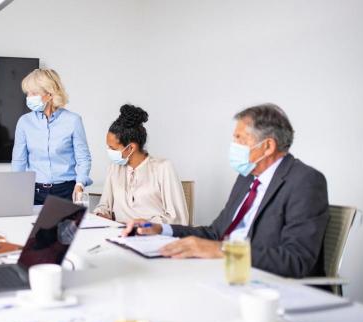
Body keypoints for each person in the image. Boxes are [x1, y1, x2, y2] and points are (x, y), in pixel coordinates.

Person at [123, 104, 329, 278]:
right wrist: (161, 229)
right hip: (224, 273)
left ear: (267, 146)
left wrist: (221, 250)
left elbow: (296, 260)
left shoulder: (305, 181)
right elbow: (215, 233)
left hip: (266, 286)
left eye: (240, 139)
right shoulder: (247, 177)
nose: (234, 145)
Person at [93, 104, 189, 225]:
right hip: (121, 237)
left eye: (113, 148)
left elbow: (178, 218)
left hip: (153, 237)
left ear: (131, 147)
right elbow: (104, 205)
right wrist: (101, 214)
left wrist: (144, 225)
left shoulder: (163, 168)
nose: (109, 151)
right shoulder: (114, 168)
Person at [12, 68, 92, 204]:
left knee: (64, 226)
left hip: (66, 191)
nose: (28, 97)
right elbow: (19, 161)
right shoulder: (24, 122)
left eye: (34, 93)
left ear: (49, 94)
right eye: (27, 93)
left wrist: (80, 184)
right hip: (34, 192)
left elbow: (83, 158)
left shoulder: (73, 120)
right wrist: (16, 190)